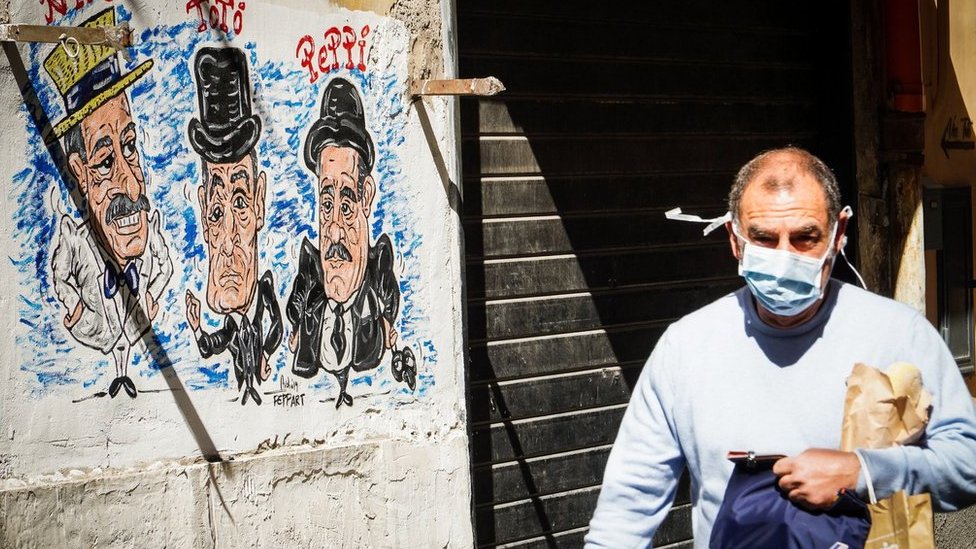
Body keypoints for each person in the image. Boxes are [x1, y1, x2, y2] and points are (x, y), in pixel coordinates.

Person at [585, 147, 976, 546]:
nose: (784, 258)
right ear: (734, 240)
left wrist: (862, 473)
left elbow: (967, 464)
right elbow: (628, 504)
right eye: (764, 239)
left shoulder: (899, 333)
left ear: (839, 234)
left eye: (806, 238)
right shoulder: (686, 348)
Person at [49, 7, 173, 399]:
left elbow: (164, 263)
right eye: (104, 161)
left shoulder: (149, 238)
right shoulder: (77, 242)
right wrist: (76, 311)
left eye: (131, 148)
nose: (130, 182)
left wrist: (151, 295)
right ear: (79, 173)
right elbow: (61, 274)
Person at [286, 77, 416, 408]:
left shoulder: (380, 305)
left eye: (346, 206)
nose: (335, 231)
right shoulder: (307, 306)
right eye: (326, 205)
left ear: (366, 198)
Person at [184, 47, 283, 406]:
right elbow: (212, 345)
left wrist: (267, 357)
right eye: (215, 211)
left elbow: (276, 329)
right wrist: (197, 327)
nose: (226, 243)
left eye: (240, 203)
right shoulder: (229, 326)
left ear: (259, 204)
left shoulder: (267, 310)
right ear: (202, 217)